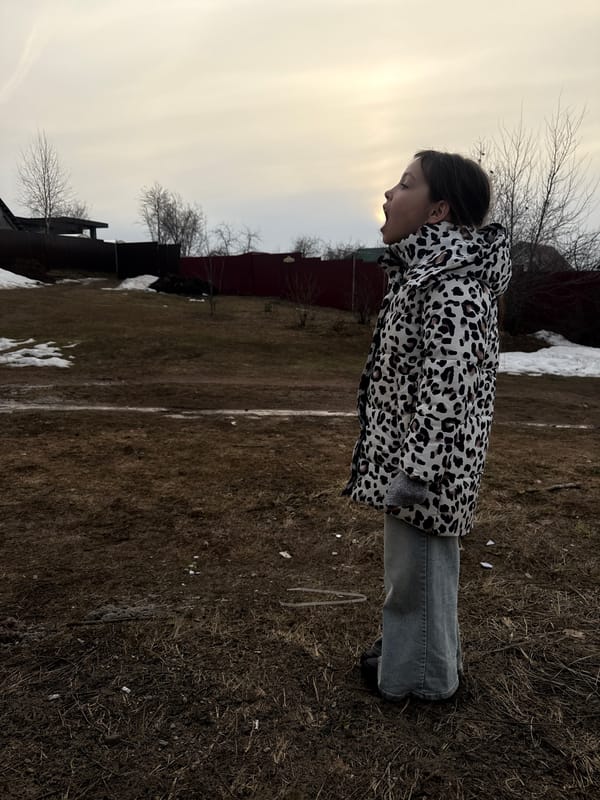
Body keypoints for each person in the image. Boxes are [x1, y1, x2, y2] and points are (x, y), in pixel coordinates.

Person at [343, 150, 512, 701]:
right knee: (413, 573)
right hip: (418, 467)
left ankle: (419, 678)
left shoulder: (453, 285)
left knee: (418, 577)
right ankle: (414, 655)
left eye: (405, 184)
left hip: (430, 474)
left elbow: (447, 388)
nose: (390, 194)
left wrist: (415, 473)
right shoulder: (424, 275)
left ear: (438, 210)